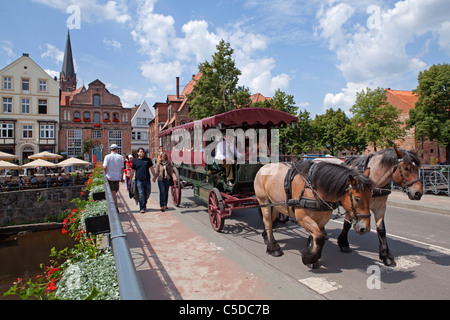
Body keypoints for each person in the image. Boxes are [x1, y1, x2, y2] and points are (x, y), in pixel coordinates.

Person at [130, 148, 156, 213]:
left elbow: (152, 169)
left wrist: (155, 176)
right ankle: (142, 208)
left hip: (147, 179)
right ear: (138, 153)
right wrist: (130, 179)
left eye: (143, 152)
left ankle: (144, 202)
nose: (142, 153)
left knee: (147, 193)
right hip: (139, 180)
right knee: (141, 194)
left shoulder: (148, 160)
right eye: (141, 152)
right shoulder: (135, 161)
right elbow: (132, 171)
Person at [103, 144, 124, 210]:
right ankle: (115, 206)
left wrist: (106, 173)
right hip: (117, 177)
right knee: (115, 191)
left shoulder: (107, 157)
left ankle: (115, 207)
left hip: (110, 177)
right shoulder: (120, 157)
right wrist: (122, 177)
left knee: (113, 192)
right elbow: (122, 168)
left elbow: (105, 167)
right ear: (116, 149)